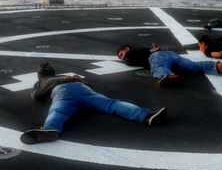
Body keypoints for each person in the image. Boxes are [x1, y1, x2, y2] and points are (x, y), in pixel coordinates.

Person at [21, 61, 167, 144]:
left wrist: (54, 84)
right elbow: (89, 85)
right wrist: (79, 82)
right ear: (53, 72)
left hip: (62, 92)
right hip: (81, 88)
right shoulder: (65, 76)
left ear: (39, 75)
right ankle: (146, 116)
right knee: (111, 104)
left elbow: (36, 96)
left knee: (58, 111)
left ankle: (50, 129)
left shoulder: (41, 81)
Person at [117, 44, 222, 86]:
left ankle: (167, 76)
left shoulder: (132, 52)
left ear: (126, 48)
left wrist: (153, 50)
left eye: (121, 54)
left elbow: (131, 58)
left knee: (158, 68)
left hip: (157, 56)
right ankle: (219, 66)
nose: (122, 58)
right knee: (192, 65)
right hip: (170, 54)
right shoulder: (140, 50)